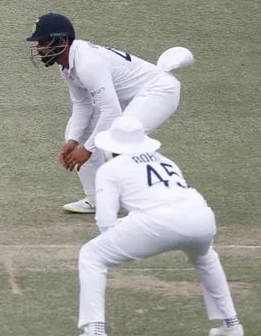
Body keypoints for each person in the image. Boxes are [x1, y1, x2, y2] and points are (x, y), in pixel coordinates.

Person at [60, 116, 246, 336]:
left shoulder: (111, 168)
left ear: (111, 147)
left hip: (158, 221)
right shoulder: (164, 160)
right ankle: (233, 327)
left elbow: (106, 222)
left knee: (92, 255)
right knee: (206, 257)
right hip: (201, 216)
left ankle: (95, 335)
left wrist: (127, 230)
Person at [27, 13, 188, 214]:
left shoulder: (88, 63)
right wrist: (73, 141)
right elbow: (82, 106)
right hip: (132, 96)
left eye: (43, 42)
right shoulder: (66, 66)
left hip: (159, 91)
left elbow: (111, 112)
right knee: (78, 132)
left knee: (119, 140)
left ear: (61, 41)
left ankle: (161, 199)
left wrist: (87, 149)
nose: (39, 48)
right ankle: (97, 200)